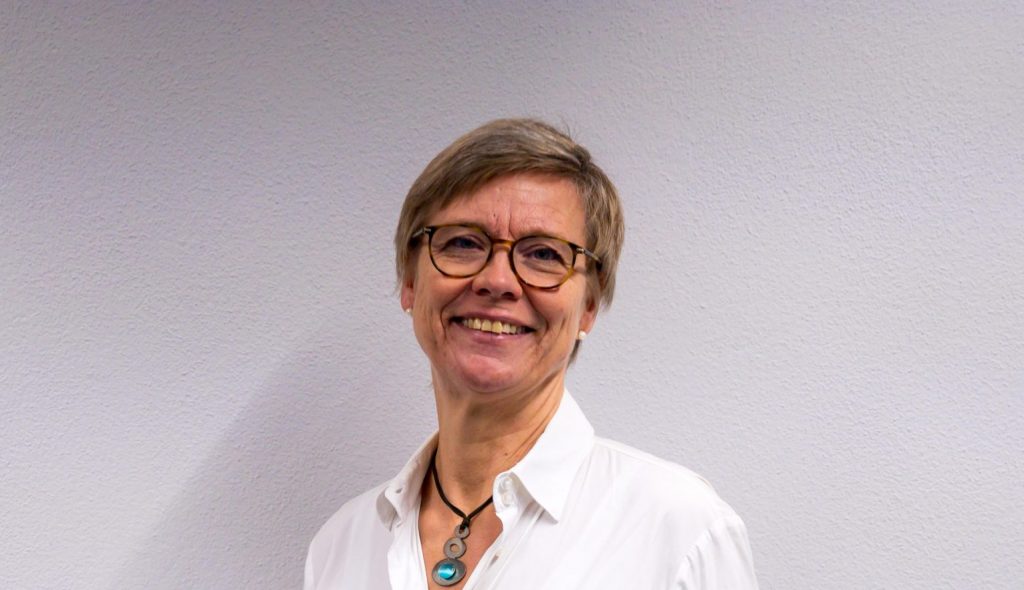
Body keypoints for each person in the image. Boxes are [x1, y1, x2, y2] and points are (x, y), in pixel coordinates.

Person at [304, 118, 758, 589]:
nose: (497, 281)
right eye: (462, 243)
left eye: (543, 254)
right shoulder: (340, 547)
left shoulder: (680, 534)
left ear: (588, 306)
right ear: (410, 282)